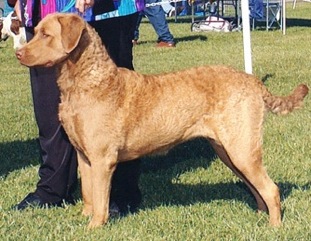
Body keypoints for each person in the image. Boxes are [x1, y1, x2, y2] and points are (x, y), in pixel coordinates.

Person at [11, 0, 143, 215]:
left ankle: (121, 192)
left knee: (117, 104)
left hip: (108, 10)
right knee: (50, 110)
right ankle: (53, 188)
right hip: (45, 7)